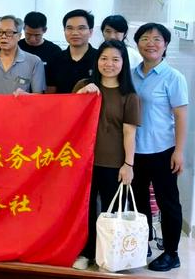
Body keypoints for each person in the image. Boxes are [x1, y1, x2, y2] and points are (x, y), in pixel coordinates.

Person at [71, 40, 140, 270]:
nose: (109, 64)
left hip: (113, 163)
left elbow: (129, 132)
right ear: (97, 60)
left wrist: (128, 164)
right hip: (85, 162)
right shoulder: (84, 84)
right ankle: (86, 253)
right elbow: (67, 114)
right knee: (85, 211)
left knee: (111, 213)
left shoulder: (129, 95)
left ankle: (109, 254)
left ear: (123, 63)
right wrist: (82, 93)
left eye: (115, 59)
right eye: (104, 58)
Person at [130, 23, 188, 272]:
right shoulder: (130, 74)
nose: (150, 43)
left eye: (156, 39)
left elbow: (182, 115)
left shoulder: (173, 77)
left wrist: (179, 150)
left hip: (163, 149)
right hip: (134, 150)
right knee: (138, 200)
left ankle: (172, 252)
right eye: (144, 38)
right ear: (137, 43)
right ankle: (143, 243)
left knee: (168, 202)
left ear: (165, 45)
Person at [0, 16, 45, 95]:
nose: (3, 36)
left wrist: (26, 96)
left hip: (20, 107)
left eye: (9, 32)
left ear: (19, 36)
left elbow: (39, 97)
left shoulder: (34, 62)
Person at [46, 9, 97, 94]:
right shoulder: (55, 59)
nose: (75, 33)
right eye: (69, 28)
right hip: (62, 107)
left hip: (92, 107)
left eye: (81, 28)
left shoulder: (100, 58)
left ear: (90, 32)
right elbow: (50, 95)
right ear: (64, 31)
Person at [18, 11, 62, 76]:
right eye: (28, 34)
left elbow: (56, 79)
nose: (32, 39)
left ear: (45, 30)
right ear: (24, 28)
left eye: (37, 35)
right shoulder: (16, 47)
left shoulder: (54, 51)